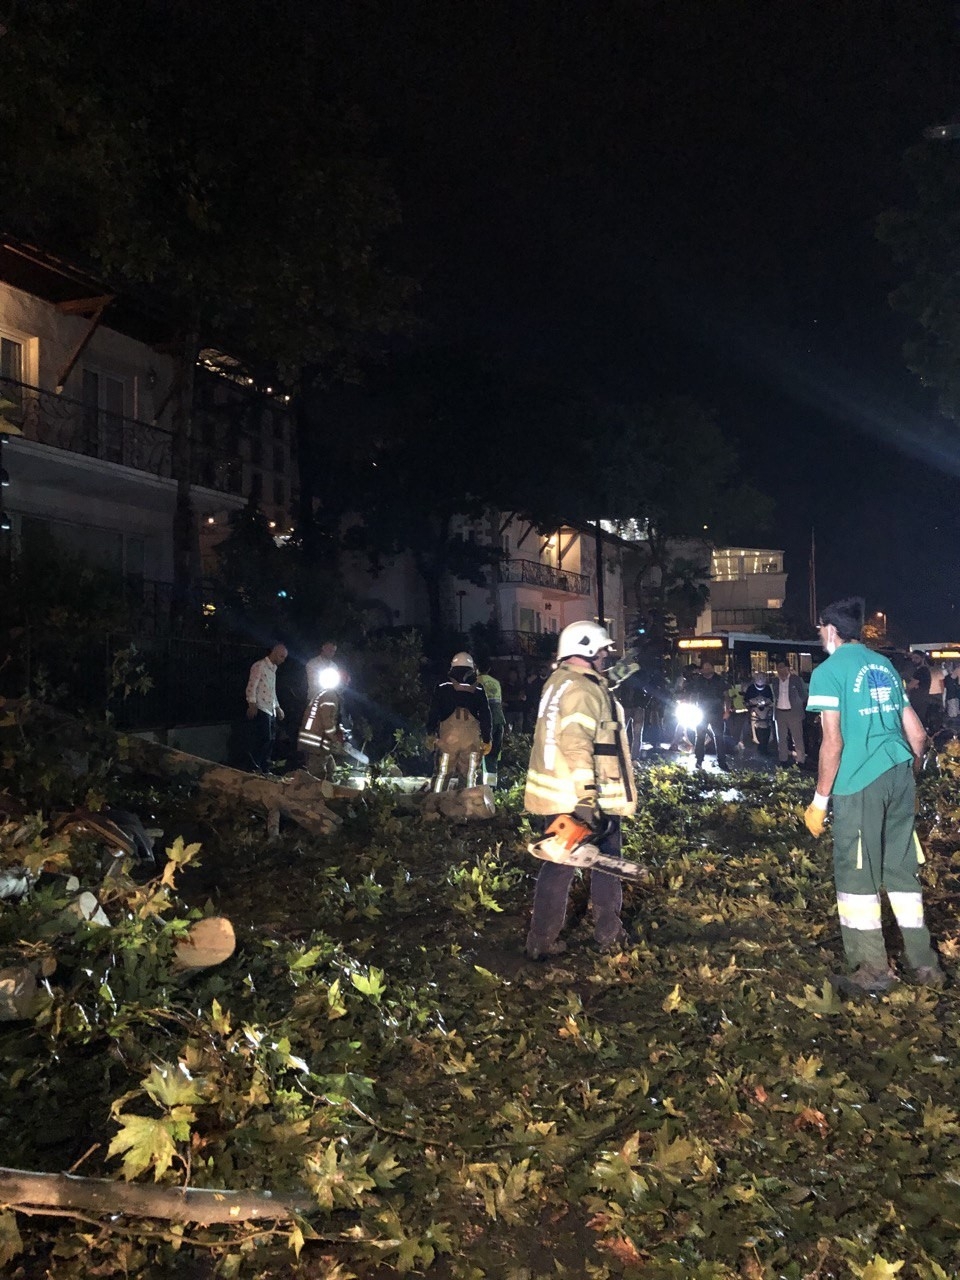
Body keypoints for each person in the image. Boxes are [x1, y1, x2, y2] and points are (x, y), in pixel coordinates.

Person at [804, 596, 943, 994]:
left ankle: (872, 970)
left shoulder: (829, 672)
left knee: (856, 876)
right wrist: (904, 774)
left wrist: (819, 802)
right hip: (900, 773)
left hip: (859, 783)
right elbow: (917, 735)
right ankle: (924, 965)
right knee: (901, 871)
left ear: (831, 631)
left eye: (820, 631)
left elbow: (833, 743)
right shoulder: (883, 665)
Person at [524, 620, 636, 959]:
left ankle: (541, 940)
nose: (605, 658)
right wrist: (587, 798)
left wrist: (622, 671)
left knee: (558, 866)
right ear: (586, 651)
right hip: (583, 798)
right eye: (601, 653)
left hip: (557, 795)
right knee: (603, 865)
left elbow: (594, 691)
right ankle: (608, 933)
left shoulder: (561, 683)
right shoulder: (583, 690)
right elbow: (576, 743)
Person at [426, 651, 492, 791]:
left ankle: (436, 806)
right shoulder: (479, 688)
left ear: (452, 667)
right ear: (471, 667)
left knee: (442, 775)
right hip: (471, 740)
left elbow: (434, 711)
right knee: (469, 776)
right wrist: (487, 739)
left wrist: (430, 732)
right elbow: (486, 715)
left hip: (448, 739)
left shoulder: (443, 685)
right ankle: (465, 808)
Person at [298, 664, 348, 779]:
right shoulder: (330, 695)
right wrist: (335, 738)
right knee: (318, 777)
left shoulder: (325, 693)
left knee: (332, 772)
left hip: (317, 740)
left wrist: (340, 730)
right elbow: (327, 721)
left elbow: (331, 719)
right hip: (316, 741)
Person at [245, 643, 287, 773]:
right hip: (261, 707)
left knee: (271, 739)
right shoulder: (260, 666)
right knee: (264, 738)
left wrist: (278, 707)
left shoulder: (272, 669)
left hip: (270, 708)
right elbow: (252, 685)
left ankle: (264, 766)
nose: (282, 660)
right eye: (281, 656)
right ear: (274, 653)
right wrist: (252, 704)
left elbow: (272, 690)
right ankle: (255, 765)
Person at [689, 659, 730, 769]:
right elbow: (693, 695)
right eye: (704, 667)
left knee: (719, 737)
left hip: (717, 712)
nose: (706, 669)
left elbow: (726, 696)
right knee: (700, 736)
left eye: (708, 667)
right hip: (702, 712)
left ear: (712, 668)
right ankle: (699, 760)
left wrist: (727, 710)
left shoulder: (719, 680)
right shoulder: (698, 680)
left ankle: (722, 761)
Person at [477, 659, 505, 788]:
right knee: (493, 755)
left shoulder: (475, 682)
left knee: (478, 754)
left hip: (485, 722)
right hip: (499, 721)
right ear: (489, 669)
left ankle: (478, 787)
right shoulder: (496, 683)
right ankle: (492, 788)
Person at [774, 660, 808, 767]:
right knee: (782, 738)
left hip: (794, 713)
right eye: (778, 668)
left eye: (782, 668)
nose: (780, 671)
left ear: (788, 668)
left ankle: (801, 760)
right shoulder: (775, 681)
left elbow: (803, 694)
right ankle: (783, 760)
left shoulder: (795, 679)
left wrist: (799, 703)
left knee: (797, 738)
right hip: (780, 713)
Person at [743, 671, 774, 756]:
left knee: (772, 722)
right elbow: (746, 700)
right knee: (746, 723)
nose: (760, 679)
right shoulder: (750, 688)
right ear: (755, 679)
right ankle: (742, 741)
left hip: (765, 712)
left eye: (762, 677)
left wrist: (767, 702)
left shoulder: (767, 688)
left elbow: (771, 699)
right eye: (758, 677)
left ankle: (772, 740)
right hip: (754, 711)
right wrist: (750, 702)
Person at [906, 650, 932, 728]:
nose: (914, 660)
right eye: (912, 658)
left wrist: (906, 686)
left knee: (917, 721)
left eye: (916, 658)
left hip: (919, 700)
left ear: (922, 659)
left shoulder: (922, 671)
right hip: (921, 699)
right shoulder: (922, 671)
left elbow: (910, 686)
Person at [502, 667, 526, 734]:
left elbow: (522, 695)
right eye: (511, 674)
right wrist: (516, 697)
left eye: (514, 674)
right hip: (509, 711)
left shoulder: (520, 685)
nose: (513, 676)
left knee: (518, 730)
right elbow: (505, 697)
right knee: (508, 730)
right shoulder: (505, 686)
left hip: (519, 710)